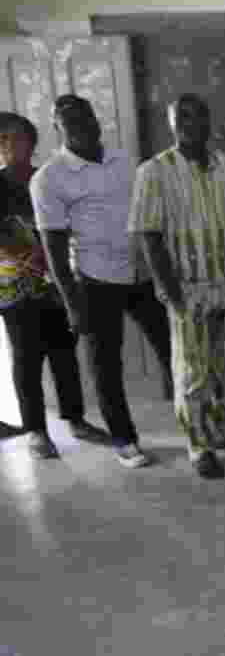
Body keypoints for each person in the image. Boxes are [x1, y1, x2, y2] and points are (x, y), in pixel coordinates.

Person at [130, 93, 225, 480]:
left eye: (197, 116)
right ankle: (198, 446)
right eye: (182, 118)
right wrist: (173, 296)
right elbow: (149, 237)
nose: (190, 123)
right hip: (187, 292)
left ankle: (224, 430)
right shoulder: (154, 173)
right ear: (171, 124)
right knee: (193, 373)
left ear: (208, 122)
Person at [31, 95, 174, 468]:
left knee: (175, 351)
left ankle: (196, 427)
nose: (82, 126)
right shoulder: (49, 178)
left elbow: (149, 218)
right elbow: (54, 248)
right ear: (58, 130)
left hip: (141, 276)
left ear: (97, 120)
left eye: (86, 118)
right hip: (95, 282)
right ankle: (125, 441)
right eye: (70, 122)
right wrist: (72, 303)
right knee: (106, 368)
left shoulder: (125, 162)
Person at [0, 112, 108, 458]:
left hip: (57, 283)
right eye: (8, 138)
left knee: (64, 353)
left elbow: (69, 225)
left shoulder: (45, 179)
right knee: (26, 358)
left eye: (22, 137)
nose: (16, 144)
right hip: (16, 286)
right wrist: (28, 251)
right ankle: (35, 431)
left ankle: (76, 420)